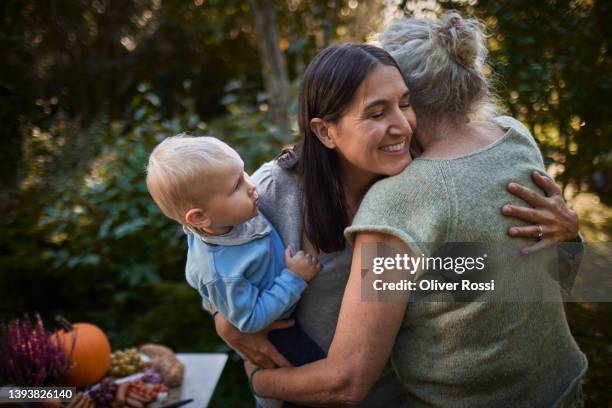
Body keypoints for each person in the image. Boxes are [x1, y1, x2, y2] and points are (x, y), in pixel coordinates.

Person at [216, 20, 585, 408]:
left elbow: (475, 277)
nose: (401, 125)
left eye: (404, 104)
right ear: (325, 132)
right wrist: (226, 317)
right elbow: (215, 247)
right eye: (376, 111)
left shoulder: (407, 189)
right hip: (306, 394)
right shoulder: (277, 191)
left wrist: (568, 238)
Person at [145, 135, 325, 371]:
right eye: (236, 186)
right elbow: (250, 319)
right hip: (278, 331)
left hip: (285, 305)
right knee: (316, 373)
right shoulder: (220, 270)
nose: (251, 186)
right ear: (199, 217)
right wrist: (294, 278)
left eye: (244, 173)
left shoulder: (230, 218)